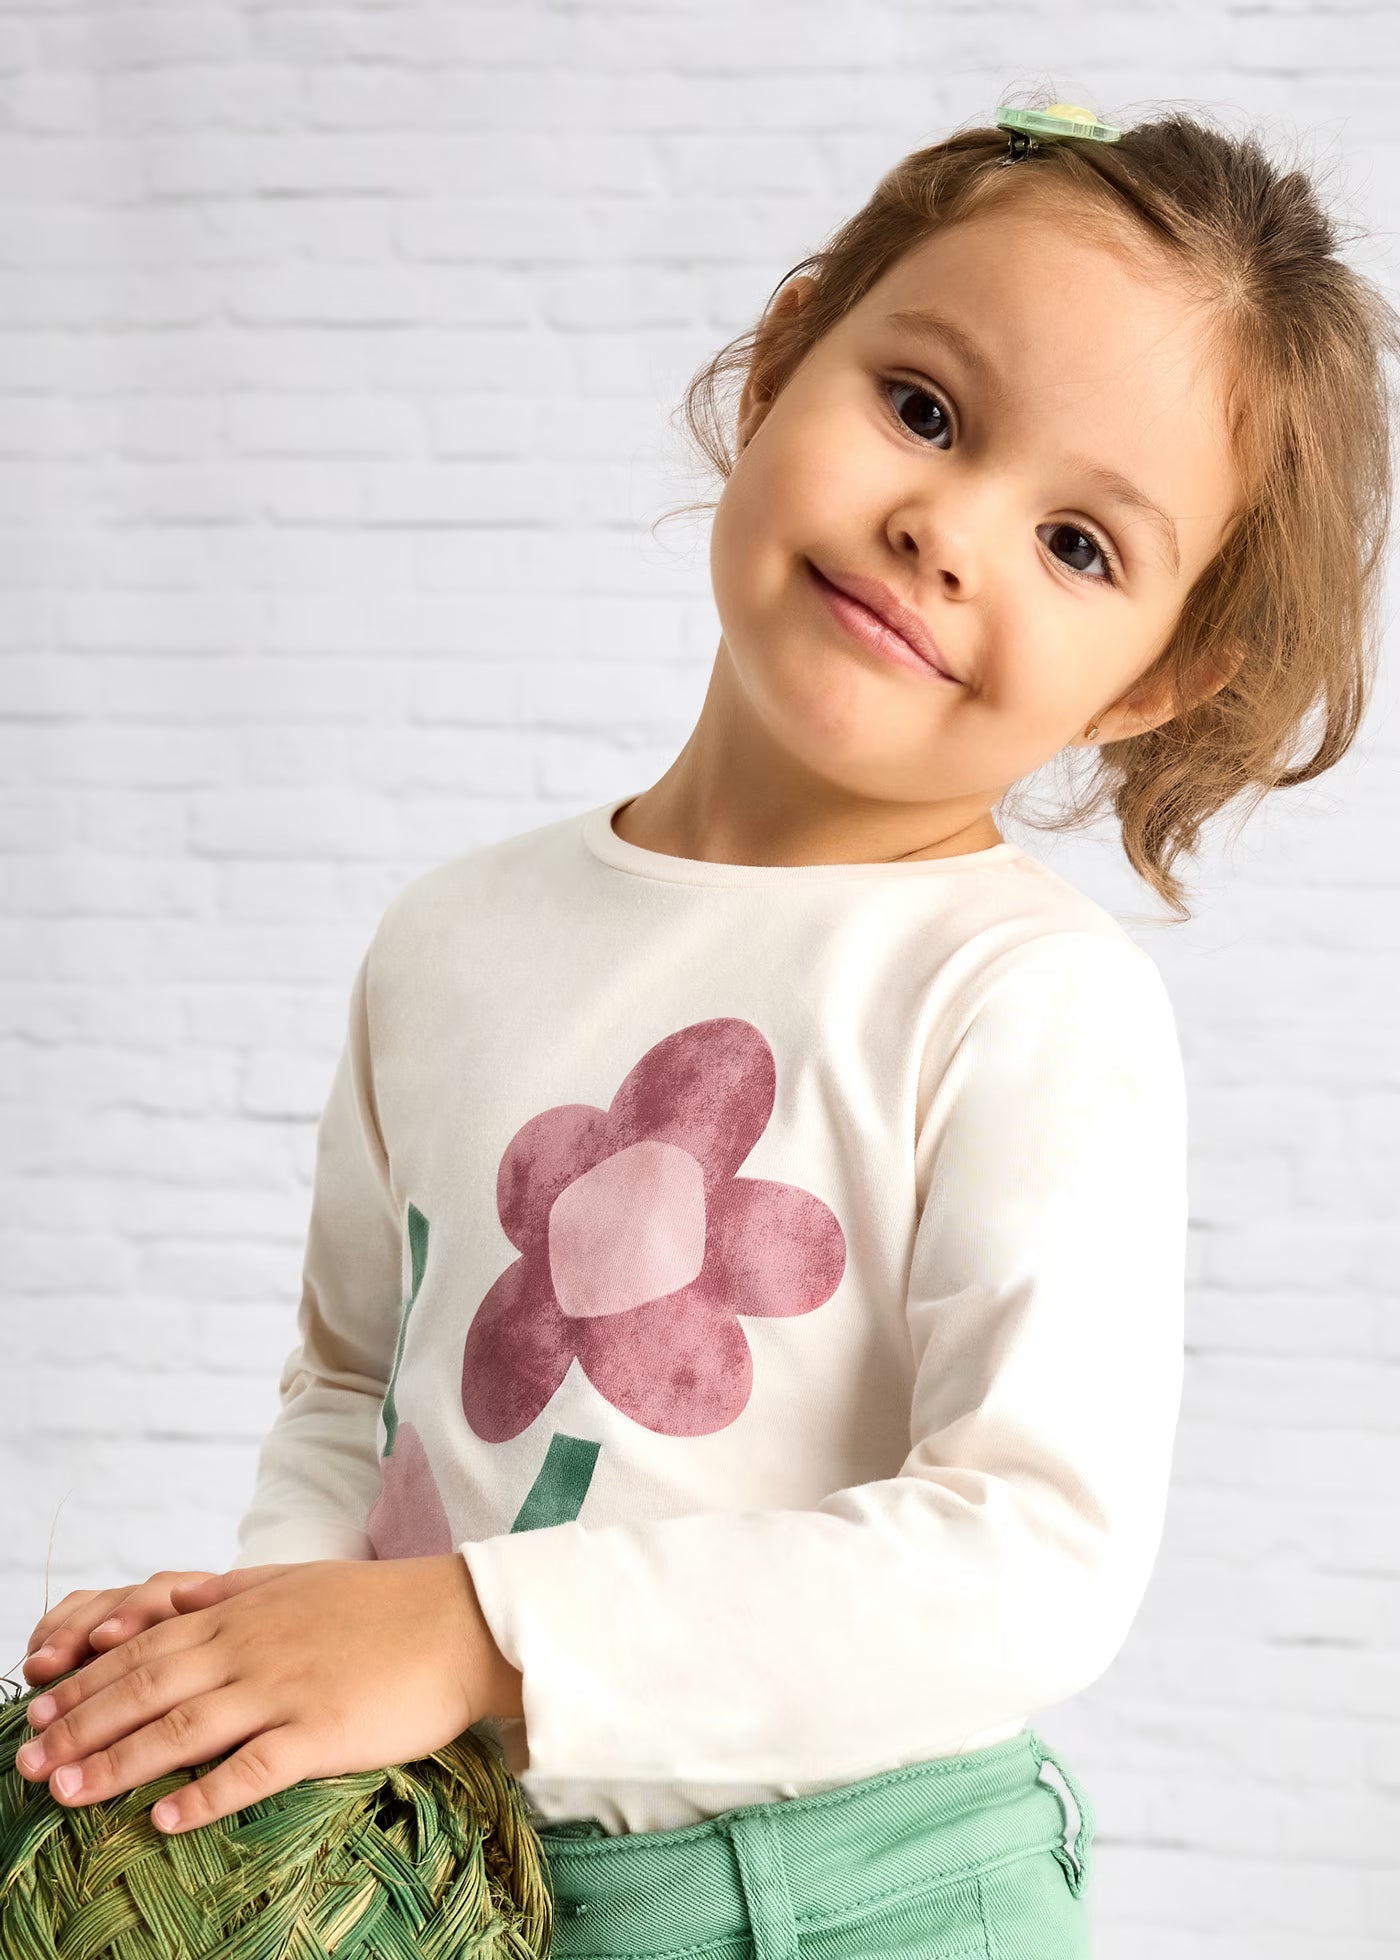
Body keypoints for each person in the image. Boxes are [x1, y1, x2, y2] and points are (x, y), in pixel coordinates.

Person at [19, 97, 1399, 1956]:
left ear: (1161, 676)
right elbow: (352, 1384)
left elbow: (1033, 1555)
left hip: (857, 1905)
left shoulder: (1019, 1002)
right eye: (924, 411)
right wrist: (268, 1670)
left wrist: (471, 1635)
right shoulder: (450, 939)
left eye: (1079, 542)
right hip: (477, 1898)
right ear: (781, 361)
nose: (945, 531)